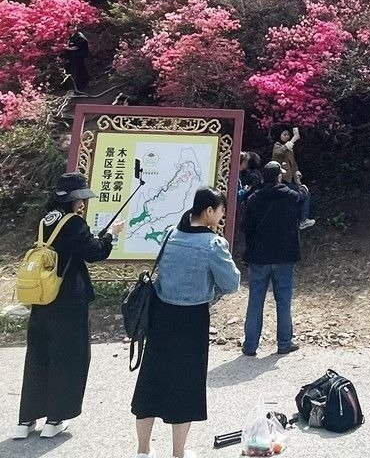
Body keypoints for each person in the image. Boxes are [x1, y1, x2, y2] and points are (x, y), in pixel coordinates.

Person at [132, 188, 240, 458]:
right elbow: (232, 282)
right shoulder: (213, 244)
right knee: (185, 383)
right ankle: (178, 452)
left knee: (152, 379)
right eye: (220, 211)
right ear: (209, 212)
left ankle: (143, 450)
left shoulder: (171, 233)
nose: (222, 215)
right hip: (191, 319)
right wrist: (210, 292)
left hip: (161, 315)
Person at [15, 173, 119, 440]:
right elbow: (95, 253)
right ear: (73, 199)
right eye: (81, 198)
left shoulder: (45, 220)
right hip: (68, 300)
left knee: (38, 357)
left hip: (41, 297)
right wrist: (110, 237)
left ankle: (26, 420)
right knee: (68, 357)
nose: (82, 203)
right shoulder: (74, 224)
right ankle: (54, 420)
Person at [240, 162, 304, 357]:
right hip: (284, 256)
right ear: (278, 176)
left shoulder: (253, 199)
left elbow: (245, 228)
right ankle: (284, 342)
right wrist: (300, 183)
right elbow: (302, 206)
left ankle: (250, 345)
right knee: (283, 301)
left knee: (255, 301)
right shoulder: (291, 197)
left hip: (259, 257)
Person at [271, 126, 313, 229]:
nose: (286, 136)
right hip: (281, 181)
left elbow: (293, 165)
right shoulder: (277, 146)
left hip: (290, 180)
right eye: (284, 134)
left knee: (304, 194)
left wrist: (297, 177)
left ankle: (302, 219)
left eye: (288, 135)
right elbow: (279, 153)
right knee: (296, 197)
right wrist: (294, 139)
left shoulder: (290, 150)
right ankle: (299, 220)